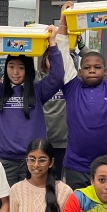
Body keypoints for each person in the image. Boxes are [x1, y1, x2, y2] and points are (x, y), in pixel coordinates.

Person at [55, 0, 107, 190]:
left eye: (97, 67)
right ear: (79, 71)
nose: (92, 70)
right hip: (76, 166)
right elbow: (61, 52)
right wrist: (63, 19)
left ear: (106, 70)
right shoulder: (71, 87)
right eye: (86, 67)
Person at [0, 24, 63, 186]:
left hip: (33, 162)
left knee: (32, 204)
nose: (15, 72)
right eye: (11, 67)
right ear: (5, 68)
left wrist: (52, 43)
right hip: (4, 161)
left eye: (21, 68)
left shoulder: (38, 91)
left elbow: (57, 77)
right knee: (5, 204)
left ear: (28, 70)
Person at [37, 48, 67, 181]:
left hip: (63, 141)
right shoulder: (37, 79)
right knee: (40, 178)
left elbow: (90, 58)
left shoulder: (69, 81)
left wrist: (81, 45)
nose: (54, 62)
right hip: (42, 140)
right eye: (50, 58)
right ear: (44, 60)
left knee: (56, 180)